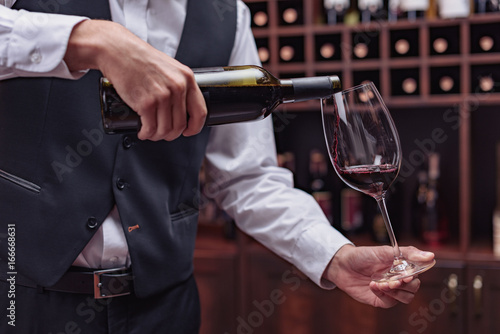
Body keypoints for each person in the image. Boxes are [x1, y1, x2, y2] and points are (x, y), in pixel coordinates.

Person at [0, 0, 435, 333]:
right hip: (24, 300)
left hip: (164, 310)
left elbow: (249, 177)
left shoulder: (228, 15)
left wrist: (334, 256)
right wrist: (91, 39)